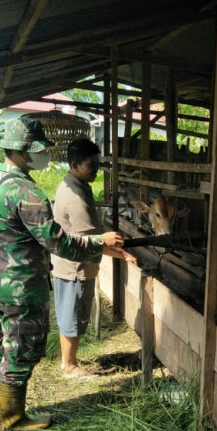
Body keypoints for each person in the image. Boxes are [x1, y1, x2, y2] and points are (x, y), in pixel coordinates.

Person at [0, 116, 132, 431]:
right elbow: (59, 243)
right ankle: (13, 418)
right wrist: (101, 242)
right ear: (21, 151)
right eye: (39, 150)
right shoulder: (27, 193)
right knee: (20, 349)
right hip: (22, 286)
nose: (44, 155)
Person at [51, 138, 136, 378]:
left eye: (97, 164)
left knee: (69, 313)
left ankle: (67, 361)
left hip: (67, 264)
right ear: (75, 165)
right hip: (75, 267)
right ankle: (70, 367)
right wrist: (123, 254)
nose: (96, 169)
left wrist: (119, 252)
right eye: (91, 165)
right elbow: (90, 244)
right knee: (74, 315)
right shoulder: (76, 198)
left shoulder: (74, 184)